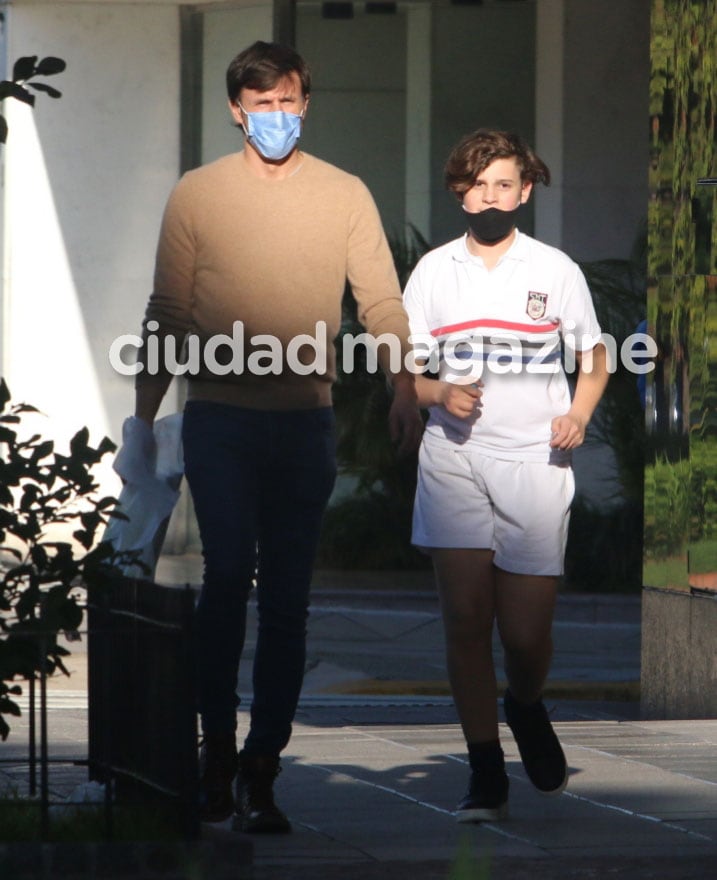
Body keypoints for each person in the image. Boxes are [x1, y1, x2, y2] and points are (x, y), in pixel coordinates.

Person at [133, 41, 422, 832]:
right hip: (220, 415)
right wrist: (139, 420)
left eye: (288, 101)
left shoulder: (343, 193)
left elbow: (382, 304)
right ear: (236, 110)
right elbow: (168, 313)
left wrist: (404, 384)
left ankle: (264, 767)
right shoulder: (198, 194)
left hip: (304, 422)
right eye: (261, 106)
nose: (277, 117)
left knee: (288, 599)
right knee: (227, 574)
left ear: (305, 102)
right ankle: (216, 755)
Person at [402, 129, 609, 822]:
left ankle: (523, 704)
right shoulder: (433, 272)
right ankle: (484, 767)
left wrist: (576, 415)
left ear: (524, 191)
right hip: (454, 458)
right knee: (465, 618)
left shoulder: (554, 271)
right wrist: (439, 394)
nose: (488, 194)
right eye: (476, 182)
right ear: (458, 189)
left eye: (502, 183)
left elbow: (594, 358)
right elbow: (405, 375)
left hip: (536, 463)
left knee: (523, 636)